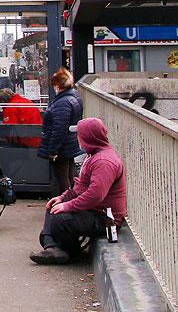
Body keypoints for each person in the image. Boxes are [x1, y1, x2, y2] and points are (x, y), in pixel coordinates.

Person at [30, 117, 127, 264]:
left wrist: (68, 205)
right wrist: (63, 198)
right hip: (96, 211)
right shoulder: (93, 156)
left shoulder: (103, 161)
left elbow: (95, 195)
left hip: (105, 218)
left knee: (61, 218)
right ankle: (53, 248)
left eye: (79, 135)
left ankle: (68, 250)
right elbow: (80, 186)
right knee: (54, 207)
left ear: (88, 137)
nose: (77, 138)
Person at [38, 68, 84, 196]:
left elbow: (59, 129)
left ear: (58, 85)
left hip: (62, 146)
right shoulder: (74, 97)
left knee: (62, 177)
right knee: (69, 175)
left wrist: (53, 151)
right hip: (70, 143)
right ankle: (71, 202)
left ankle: (67, 204)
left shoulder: (62, 102)